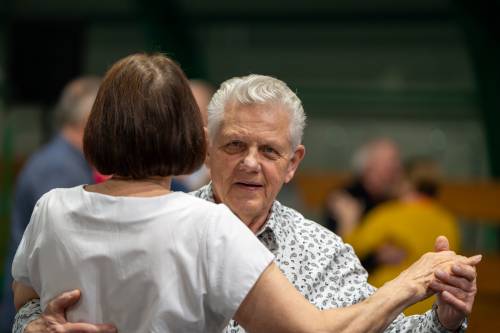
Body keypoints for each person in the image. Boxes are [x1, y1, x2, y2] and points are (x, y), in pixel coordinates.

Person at [15, 74, 479, 333]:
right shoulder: (183, 222)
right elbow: (30, 311)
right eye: (235, 145)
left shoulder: (324, 252)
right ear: (205, 147)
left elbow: (378, 329)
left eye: (270, 151)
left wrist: (442, 319)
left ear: (294, 163)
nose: (251, 164)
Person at [0, 76, 100, 332]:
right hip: (36, 314)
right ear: (92, 120)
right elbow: (65, 257)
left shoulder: (59, 160)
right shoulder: (60, 169)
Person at [344, 157, 460, 315]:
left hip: (389, 307)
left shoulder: (389, 214)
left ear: (407, 183)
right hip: (430, 310)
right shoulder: (448, 222)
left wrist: (348, 218)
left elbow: (351, 247)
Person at [324, 138, 404, 272]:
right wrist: (377, 258)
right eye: (390, 164)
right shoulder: (344, 198)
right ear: (369, 167)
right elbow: (334, 257)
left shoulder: (395, 200)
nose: (396, 169)